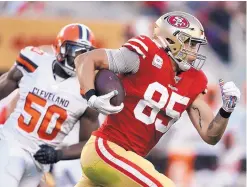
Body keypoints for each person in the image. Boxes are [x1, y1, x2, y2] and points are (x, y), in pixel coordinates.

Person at [74, 11, 241, 187]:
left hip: (125, 162)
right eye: (190, 44)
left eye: (196, 45)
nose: (194, 52)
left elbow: (210, 135)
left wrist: (226, 109)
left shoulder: (195, 80)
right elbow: (87, 59)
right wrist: (91, 96)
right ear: (170, 40)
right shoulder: (145, 54)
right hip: (107, 150)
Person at [0, 23, 99, 187]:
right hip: (12, 143)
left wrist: (59, 154)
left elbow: (90, 144)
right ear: (60, 48)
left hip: (39, 161)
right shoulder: (34, 62)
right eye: (76, 52)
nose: (80, 60)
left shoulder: (87, 93)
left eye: (85, 55)